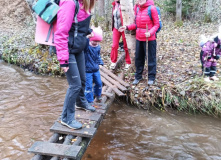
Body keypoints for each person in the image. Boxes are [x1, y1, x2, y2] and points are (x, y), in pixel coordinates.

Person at [54, 0, 96, 130]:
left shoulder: (83, 4)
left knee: (82, 79)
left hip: (78, 49)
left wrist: (88, 31)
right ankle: (66, 118)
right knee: (75, 85)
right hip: (68, 50)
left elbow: (76, 26)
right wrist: (63, 60)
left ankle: (81, 102)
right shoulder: (70, 3)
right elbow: (61, 32)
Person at [119, 0, 160, 85]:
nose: (139, 0)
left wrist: (150, 32)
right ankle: (138, 76)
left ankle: (151, 77)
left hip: (150, 39)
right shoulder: (137, 8)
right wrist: (126, 27)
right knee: (139, 58)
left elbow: (157, 25)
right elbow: (137, 25)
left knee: (150, 58)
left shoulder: (152, 8)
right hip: (139, 38)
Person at [84, 27, 104, 104]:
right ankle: (89, 101)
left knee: (99, 83)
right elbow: (84, 43)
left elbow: (98, 56)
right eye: (94, 41)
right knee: (88, 86)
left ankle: (98, 95)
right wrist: (87, 37)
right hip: (87, 70)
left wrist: (100, 63)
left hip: (96, 69)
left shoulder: (98, 47)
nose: (95, 43)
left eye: (97, 41)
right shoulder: (87, 47)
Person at [110, 0, 131, 70]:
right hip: (116, 28)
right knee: (114, 45)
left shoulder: (125, 4)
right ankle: (113, 61)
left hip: (124, 28)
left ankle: (128, 62)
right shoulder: (114, 4)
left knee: (126, 46)